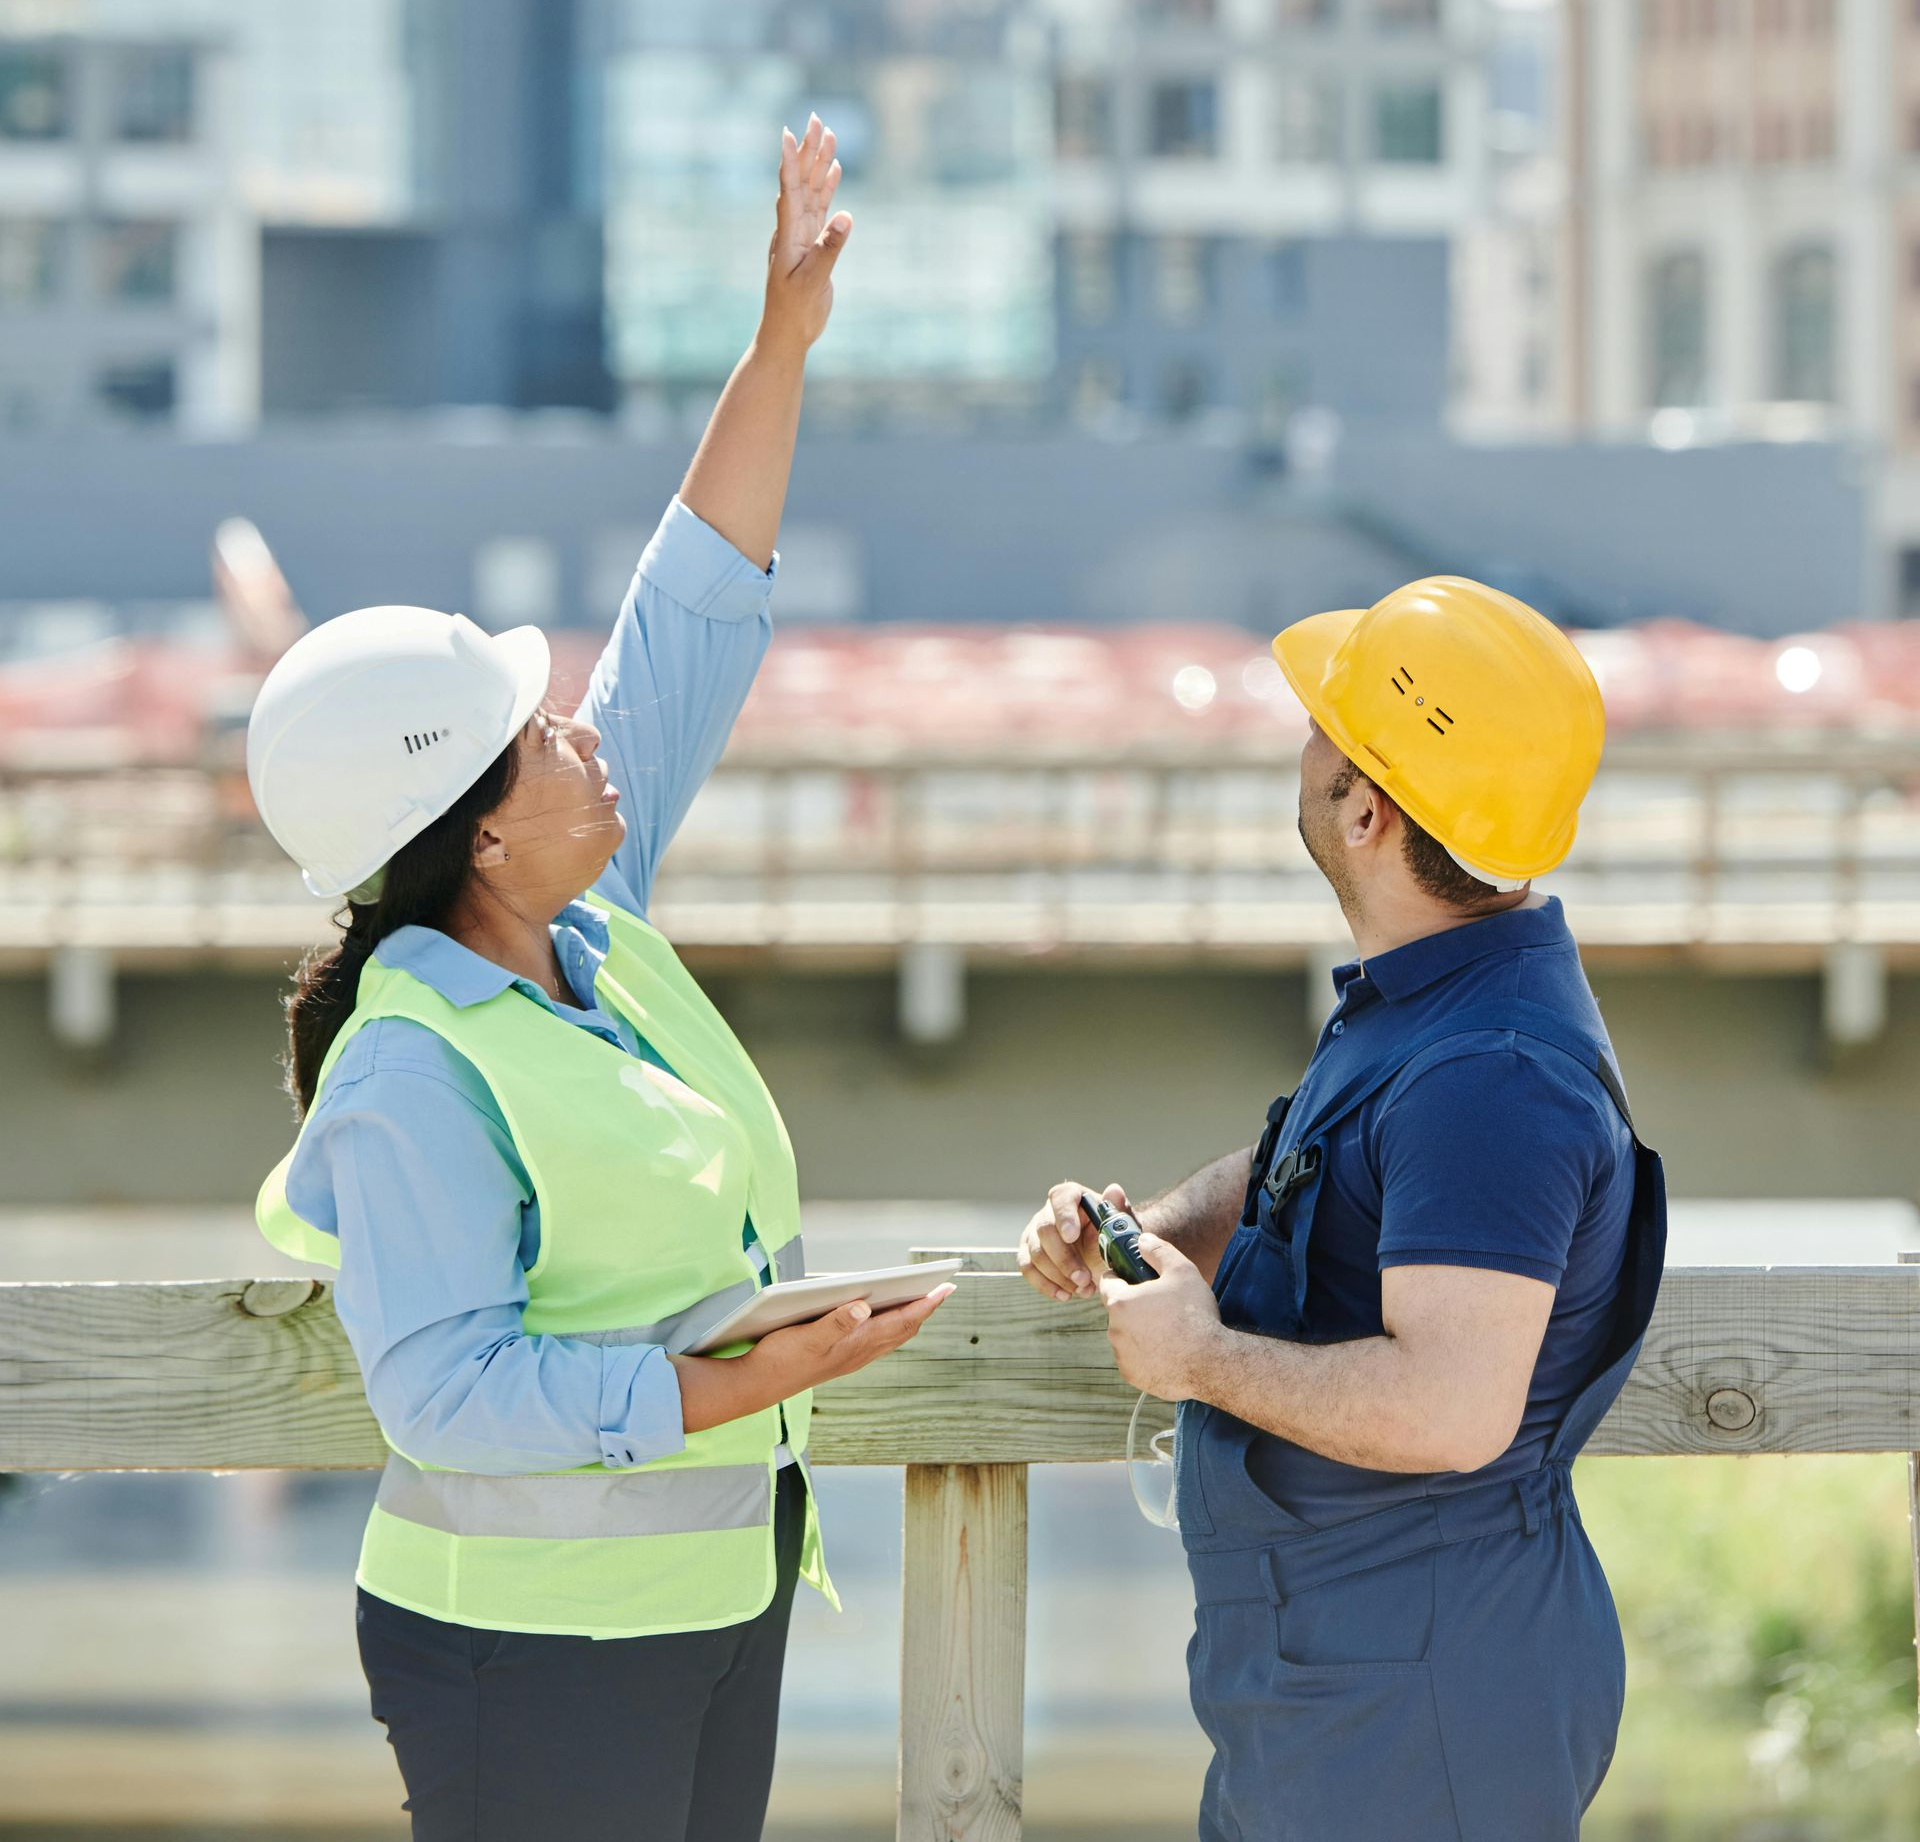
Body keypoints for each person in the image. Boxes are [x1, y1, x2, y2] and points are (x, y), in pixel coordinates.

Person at [246, 119, 952, 1842]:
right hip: (525, 1654)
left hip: (711, 1601)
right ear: (478, 831)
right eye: (543, 734)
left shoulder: (593, 925)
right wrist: (745, 1386)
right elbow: (445, 1392)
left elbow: (689, 615)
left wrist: (778, 345)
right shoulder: (415, 1067)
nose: (587, 732)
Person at [1018, 578, 1666, 1842]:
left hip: (1419, 1700)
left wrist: (1199, 1359)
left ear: (1365, 807)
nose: (1305, 745)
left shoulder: (1491, 1075)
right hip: (1352, 1681)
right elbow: (1299, 1174)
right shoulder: (1434, 1007)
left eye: (1330, 729)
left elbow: (1452, 1405)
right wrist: (1129, 1229)